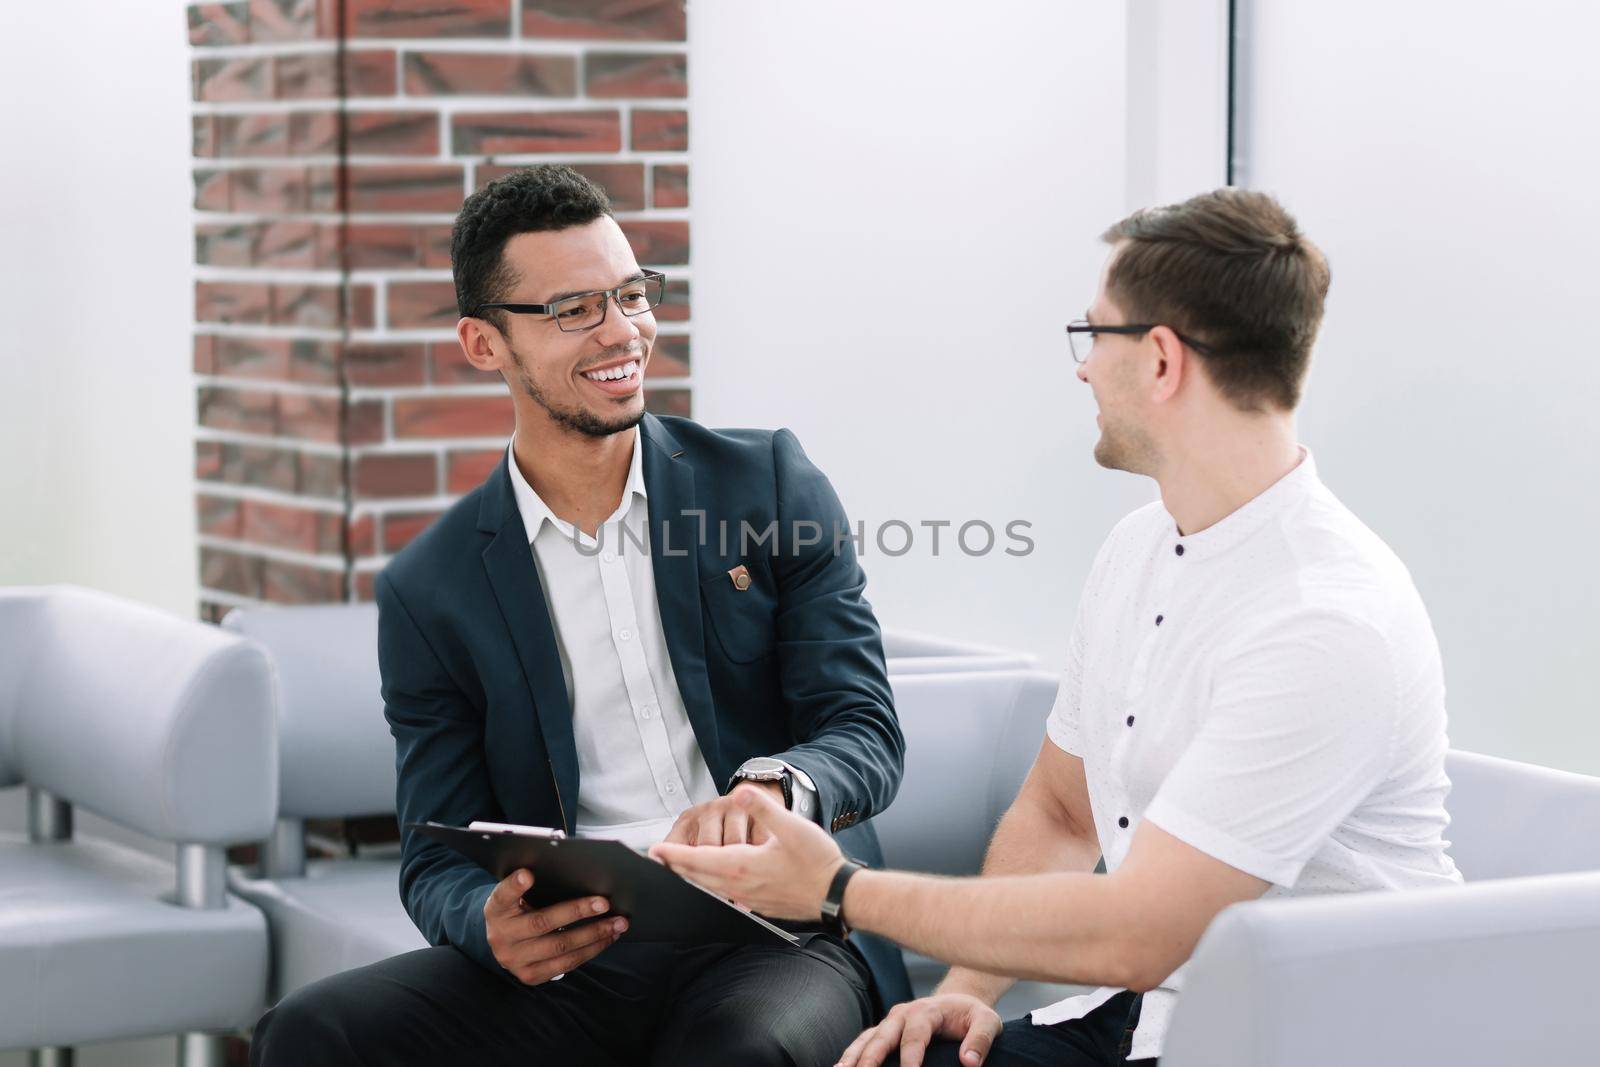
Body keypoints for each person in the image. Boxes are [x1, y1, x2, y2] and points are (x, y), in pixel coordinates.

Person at [651, 188, 1463, 1067]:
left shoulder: (1325, 620)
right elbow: (1062, 810)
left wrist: (838, 887)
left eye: (1093, 336)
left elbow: (1140, 931)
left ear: (1159, 360)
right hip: (1153, 1009)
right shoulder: (1138, 548)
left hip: (1315, 1038)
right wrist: (960, 992)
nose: (1081, 368)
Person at [250, 164, 908, 1066]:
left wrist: (775, 786)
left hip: (782, 935)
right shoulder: (430, 586)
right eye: (574, 310)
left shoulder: (766, 486)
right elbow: (433, 855)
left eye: (631, 294)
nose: (623, 332)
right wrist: (486, 925)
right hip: (579, 957)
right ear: (485, 344)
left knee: (733, 1051)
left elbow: (864, 729)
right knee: (309, 1033)